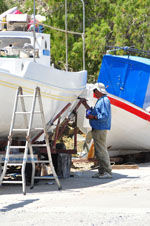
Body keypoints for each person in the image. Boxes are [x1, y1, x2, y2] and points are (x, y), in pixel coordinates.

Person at [81, 82, 112, 179]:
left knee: (101, 151)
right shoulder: (100, 100)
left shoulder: (104, 101)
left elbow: (104, 116)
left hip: (100, 128)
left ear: (99, 91)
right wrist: (85, 105)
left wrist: (93, 117)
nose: (94, 92)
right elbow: (95, 112)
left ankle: (107, 171)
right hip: (97, 128)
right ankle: (102, 171)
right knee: (98, 151)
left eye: (95, 90)